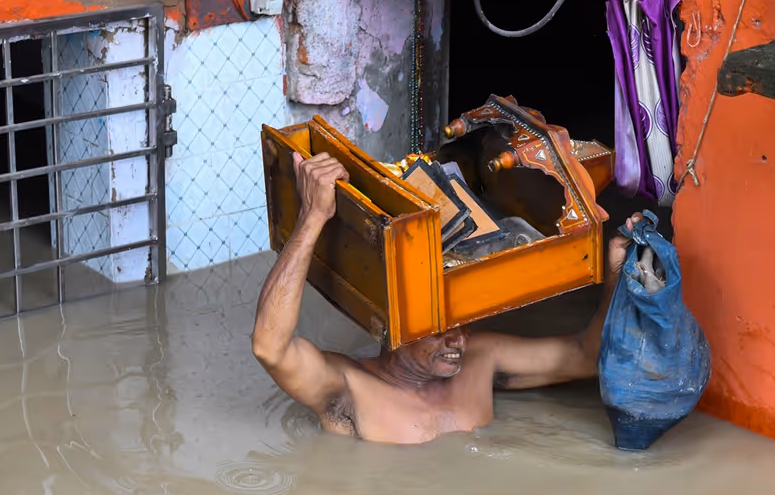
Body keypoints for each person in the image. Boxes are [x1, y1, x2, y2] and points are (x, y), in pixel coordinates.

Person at [252, 152, 640, 444]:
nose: (460, 339)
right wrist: (313, 217)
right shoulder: (348, 389)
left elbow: (588, 357)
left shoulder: (480, 360)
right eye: (441, 327)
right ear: (394, 321)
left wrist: (615, 272)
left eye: (463, 321)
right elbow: (270, 347)